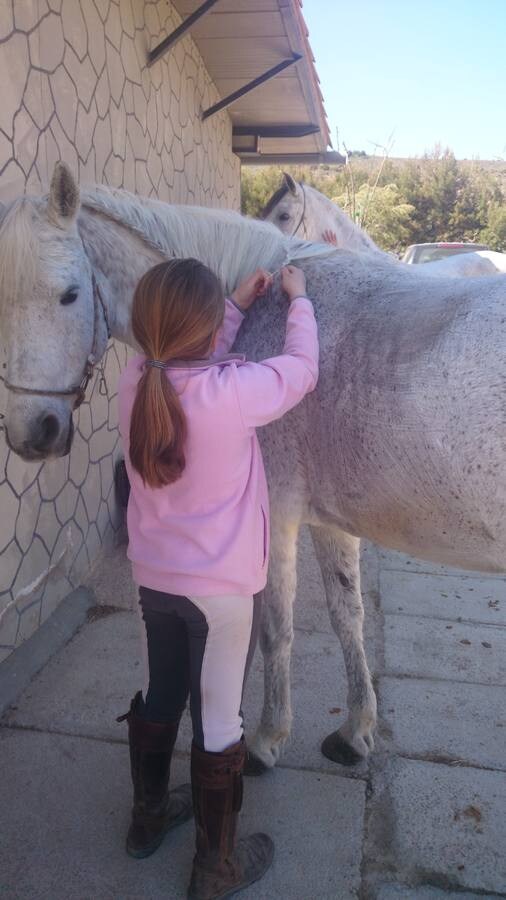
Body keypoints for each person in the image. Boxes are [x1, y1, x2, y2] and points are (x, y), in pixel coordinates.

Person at [117, 257, 319, 899]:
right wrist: (299, 301)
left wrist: (228, 304)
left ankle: (147, 819)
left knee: (161, 693)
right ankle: (216, 867)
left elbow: (186, 357)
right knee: (221, 716)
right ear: (208, 334)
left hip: (155, 581)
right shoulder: (233, 394)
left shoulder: (135, 380)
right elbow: (302, 371)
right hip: (222, 595)